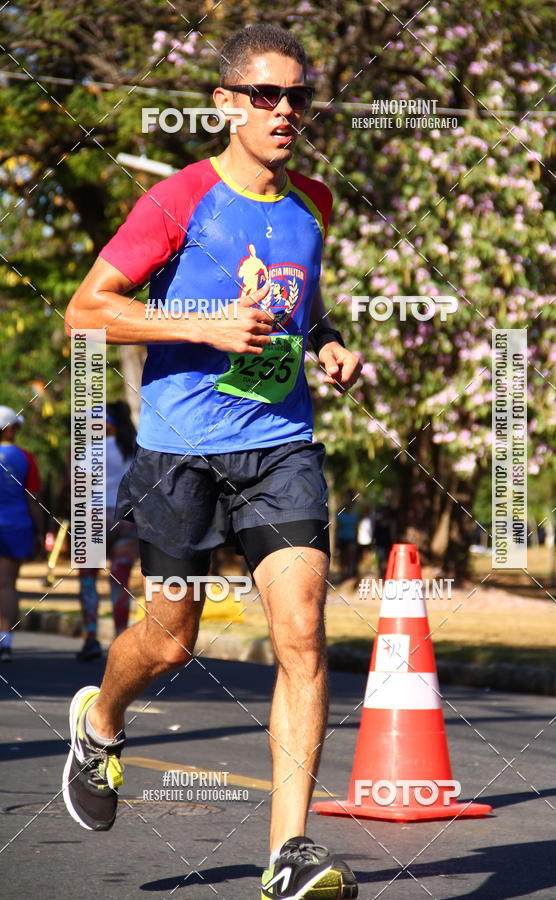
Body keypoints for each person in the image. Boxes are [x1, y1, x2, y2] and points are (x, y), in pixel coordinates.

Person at [61, 24, 361, 900]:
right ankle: (101, 722)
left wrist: (330, 343)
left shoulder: (312, 205)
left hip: (281, 450)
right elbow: (87, 311)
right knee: (170, 641)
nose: (286, 112)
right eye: (266, 95)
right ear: (226, 103)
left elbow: (304, 302)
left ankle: (290, 854)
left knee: (302, 634)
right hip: (179, 454)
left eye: (298, 96)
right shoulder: (177, 201)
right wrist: (200, 324)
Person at [76, 401, 138, 661]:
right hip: (128, 521)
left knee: (88, 578)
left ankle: (91, 638)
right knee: (119, 581)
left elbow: (79, 488)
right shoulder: (136, 450)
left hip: (95, 518)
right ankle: (120, 638)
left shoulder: (92, 450)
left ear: (107, 424)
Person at [0, 406, 44, 661]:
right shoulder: (25, 458)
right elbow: (34, 499)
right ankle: (5, 642)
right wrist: (39, 532)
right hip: (16, 527)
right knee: (7, 585)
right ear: (8, 429)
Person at [335, 495, 359, 582]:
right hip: (342, 538)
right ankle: (343, 574)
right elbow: (337, 528)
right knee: (343, 558)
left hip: (351, 538)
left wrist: (356, 539)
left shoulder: (354, 516)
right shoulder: (340, 515)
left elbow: (356, 528)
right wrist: (336, 540)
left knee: (351, 556)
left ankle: (350, 574)